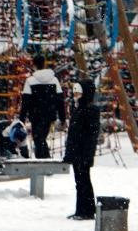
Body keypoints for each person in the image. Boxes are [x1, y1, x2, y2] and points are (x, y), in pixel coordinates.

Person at [63, 78, 99, 220]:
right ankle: (82, 209)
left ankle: (86, 210)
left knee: (83, 181)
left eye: (78, 93)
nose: (75, 96)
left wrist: (87, 154)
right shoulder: (79, 109)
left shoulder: (89, 110)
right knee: (80, 181)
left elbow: (90, 136)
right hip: (77, 152)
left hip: (82, 152)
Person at [18, 54, 65, 159]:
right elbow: (60, 100)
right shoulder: (54, 80)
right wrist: (62, 117)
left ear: (34, 64)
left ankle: (43, 159)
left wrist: (22, 119)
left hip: (35, 115)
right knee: (42, 137)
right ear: (44, 64)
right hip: (50, 114)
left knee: (38, 138)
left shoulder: (30, 81)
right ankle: (45, 158)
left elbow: (25, 102)